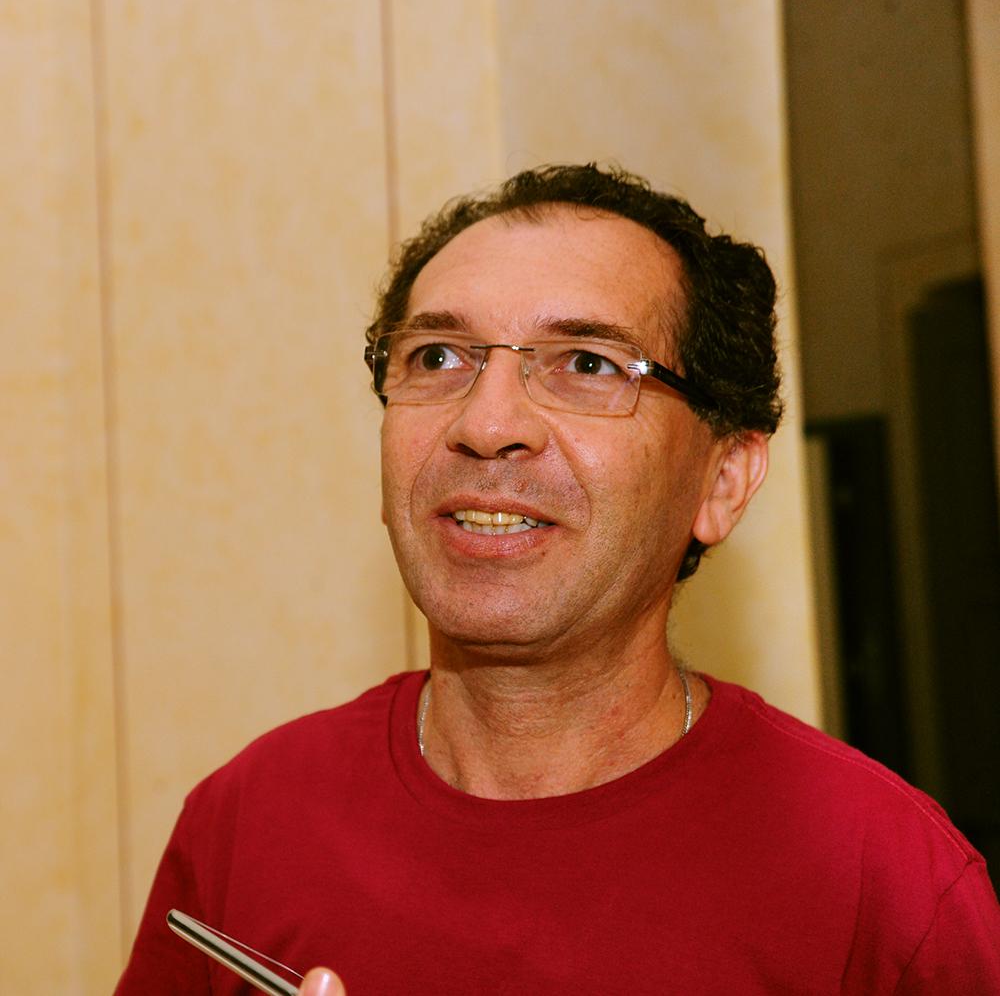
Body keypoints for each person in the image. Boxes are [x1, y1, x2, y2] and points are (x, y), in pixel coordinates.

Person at [116, 164, 1000, 995]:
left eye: (586, 364)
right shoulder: (248, 821)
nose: (487, 422)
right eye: (437, 357)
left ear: (722, 479)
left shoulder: (884, 883)